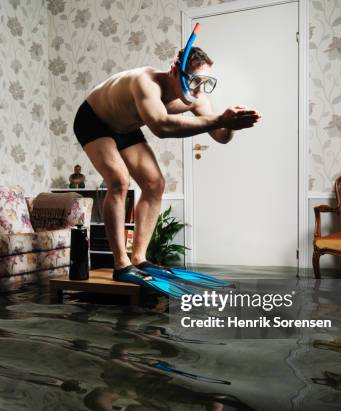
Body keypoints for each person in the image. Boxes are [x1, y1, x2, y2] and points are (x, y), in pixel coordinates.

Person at [73, 46, 261, 284]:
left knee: (155, 184)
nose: (198, 89)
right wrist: (220, 119)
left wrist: (232, 124)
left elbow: (220, 135)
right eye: (193, 81)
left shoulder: (196, 98)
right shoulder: (146, 82)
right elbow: (161, 127)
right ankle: (121, 264)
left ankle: (139, 259)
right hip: (95, 119)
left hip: (126, 127)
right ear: (175, 71)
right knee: (119, 181)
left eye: (205, 82)